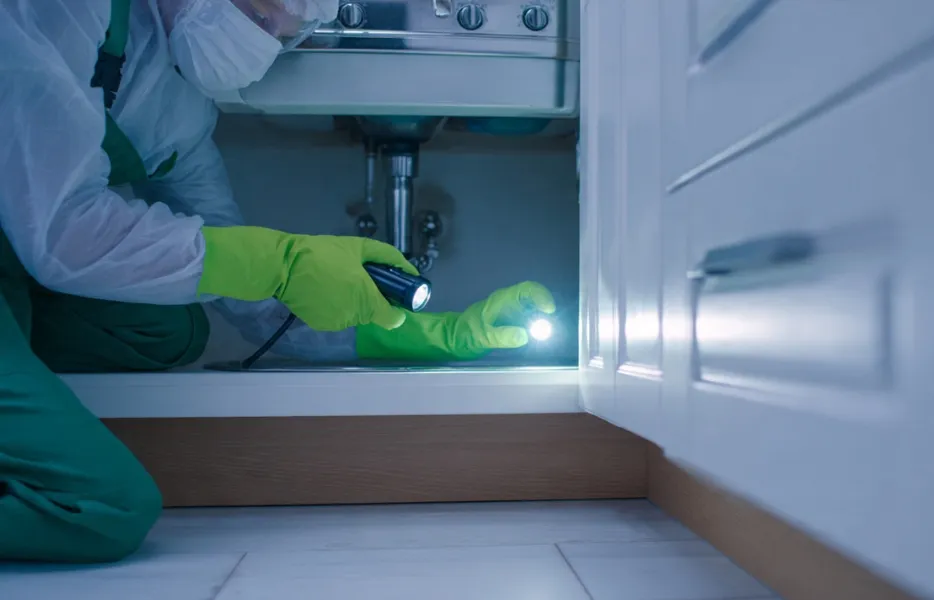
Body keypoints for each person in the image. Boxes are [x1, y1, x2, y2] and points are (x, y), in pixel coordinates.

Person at [0, 0, 555, 563]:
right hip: (32, 249)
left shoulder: (180, 117)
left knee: (170, 329)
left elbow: (257, 304)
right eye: (260, 14)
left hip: (17, 266)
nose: (261, 40)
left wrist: (447, 334)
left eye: (283, 34)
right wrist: (281, 261)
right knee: (106, 507)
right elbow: (62, 234)